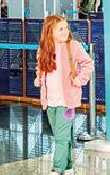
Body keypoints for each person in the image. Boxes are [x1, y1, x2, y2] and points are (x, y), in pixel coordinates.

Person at [33, 15, 94, 175]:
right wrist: (39, 78)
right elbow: (40, 68)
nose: (65, 31)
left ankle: (57, 169)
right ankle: (68, 167)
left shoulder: (73, 46)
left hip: (68, 103)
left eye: (66, 28)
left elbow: (88, 63)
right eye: (60, 29)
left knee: (61, 137)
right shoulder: (43, 50)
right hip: (49, 101)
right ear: (50, 32)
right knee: (62, 135)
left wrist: (80, 79)